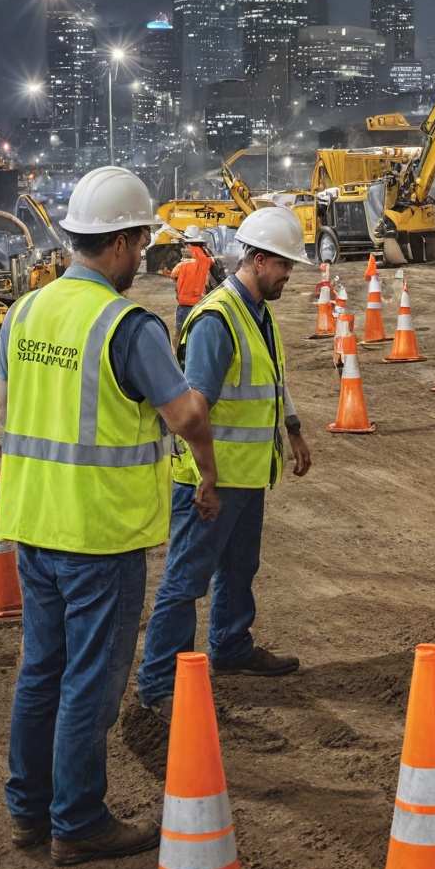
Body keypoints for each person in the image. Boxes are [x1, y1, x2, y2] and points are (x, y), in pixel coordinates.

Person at [0, 166, 219, 864]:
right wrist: (208, 469)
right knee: (90, 680)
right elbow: (185, 412)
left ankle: (27, 811)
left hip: (32, 522)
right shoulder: (126, 324)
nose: (145, 255)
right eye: (143, 242)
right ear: (121, 242)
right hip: (98, 534)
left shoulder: (25, 311)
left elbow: (8, 405)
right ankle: (78, 820)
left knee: (43, 670)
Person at [137, 205, 312, 713]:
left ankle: (231, 647)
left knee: (239, 568)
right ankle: (159, 684)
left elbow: (275, 381)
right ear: (258, 260)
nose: (288, 275)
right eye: (284, 265)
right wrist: (207, 479)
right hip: (211, 482)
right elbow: (193, 411)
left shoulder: (259, 314)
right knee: (186, 581)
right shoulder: (217, 319)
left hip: (247, 474)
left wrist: (294, 431)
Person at [166, 226, 222, 337]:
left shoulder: (182, 265)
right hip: (199, 306)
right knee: (196, 335)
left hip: (184, 306)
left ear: (189, 244)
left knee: (180, 335)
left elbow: (173, 276)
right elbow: (214, 266)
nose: (184, 247)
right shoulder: (206, 261)